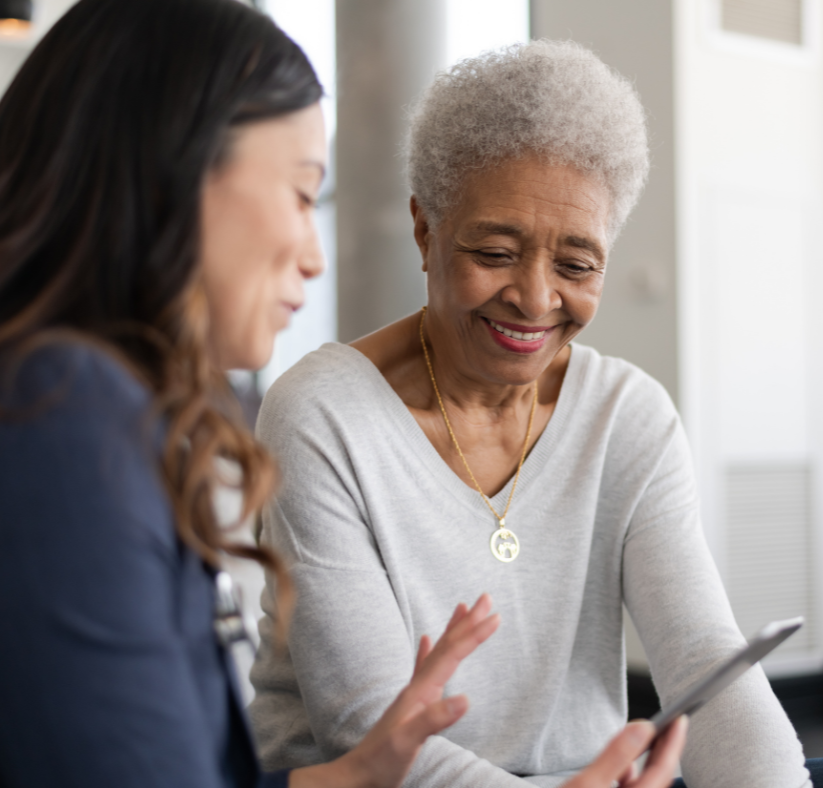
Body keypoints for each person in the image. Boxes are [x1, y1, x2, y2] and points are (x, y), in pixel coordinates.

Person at [0, 2, 688, 787]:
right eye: (300, 194)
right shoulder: (63, 416)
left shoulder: (100, 409)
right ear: (167, 181)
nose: (315, 257)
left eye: (574, 263)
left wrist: (361, 775)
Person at [248, 40, 823, 788]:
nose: (536, 300)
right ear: (425, 229)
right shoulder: (323, 414)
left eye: (575, 265)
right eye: (495, 252)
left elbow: (703, 656)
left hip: (587, 779)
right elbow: (370, 728)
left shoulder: (627, 415)